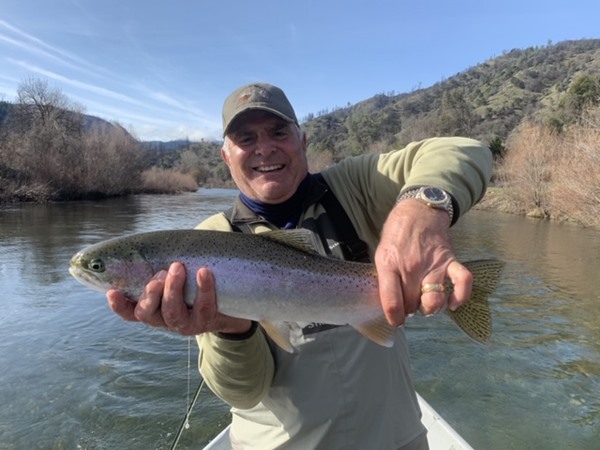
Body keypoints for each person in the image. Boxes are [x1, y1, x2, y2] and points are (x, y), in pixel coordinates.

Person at [108, 82, 493, 449]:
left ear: (302, 140)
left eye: (278, 132)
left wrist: (421, 207)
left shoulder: (357, 186)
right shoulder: (206, 242)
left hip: (394, 438)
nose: (265, 149)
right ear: (226, 156)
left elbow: (467, 150)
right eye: (246, 139)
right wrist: (231, 328)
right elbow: (245, 392)